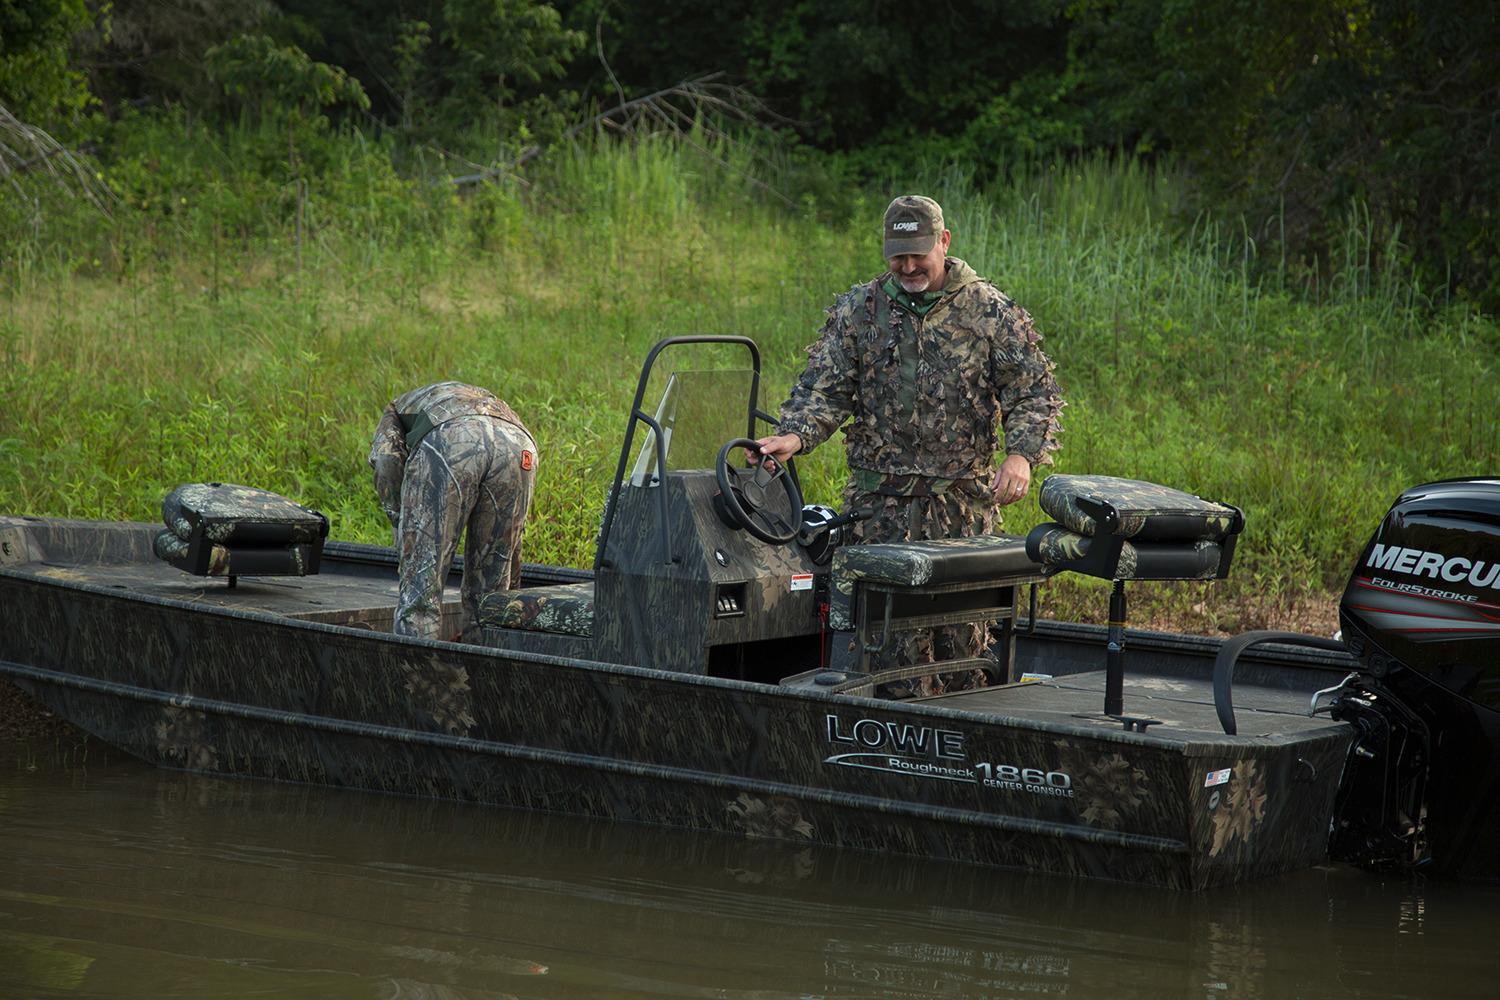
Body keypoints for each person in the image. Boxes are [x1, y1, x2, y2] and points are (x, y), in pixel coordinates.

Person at [756, 195, 1063, 695]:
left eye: (919, 253)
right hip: (881, 512)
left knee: (964, 652)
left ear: (944, 242)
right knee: (886, 654)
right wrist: (796, 433)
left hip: (960, 510)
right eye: (898, 255)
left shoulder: (989, 310)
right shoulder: (860, 310)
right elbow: (825, 389)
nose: (909, 266)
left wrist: (1021, 455)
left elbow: (1033, 391)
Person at [369, 382, 538, 641]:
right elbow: (511, 547)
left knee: (420, 593)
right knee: (491, 595)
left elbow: (386, 460)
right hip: (520, 444)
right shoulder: (466, 397)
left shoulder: (394, 410)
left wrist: (400, 520)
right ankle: (484, 672)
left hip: (451, 438)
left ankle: (417, 674)